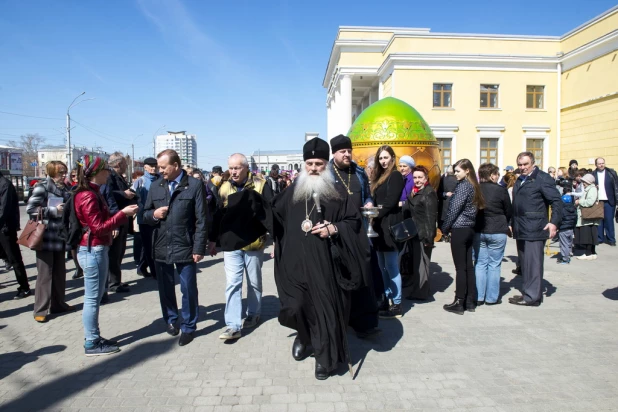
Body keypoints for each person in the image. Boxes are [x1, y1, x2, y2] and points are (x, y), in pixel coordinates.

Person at [271, 137, 370, 380]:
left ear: (326, 165)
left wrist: (333, 229)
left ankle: (325, 359)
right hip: (294, 264)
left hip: (326, 265)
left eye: (319, 163)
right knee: (295, 306)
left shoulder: (338, 193)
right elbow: (274, 216)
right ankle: (304, 337)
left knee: (323, 310)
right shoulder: (291, 191)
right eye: (310, 163)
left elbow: (353, 223)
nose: (314, 168)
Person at [74, 155, 138, 356]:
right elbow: (99, 227)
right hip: (93, 250)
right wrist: (122, 215)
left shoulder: (93, 192)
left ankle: (94, 337)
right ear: (96, 172)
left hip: (95, 248)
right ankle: (92, 342)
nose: (108, 173)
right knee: (93, 299)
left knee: (95, 296)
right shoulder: (88, 195)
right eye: (105, 170)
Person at [143, 149, 208, 347]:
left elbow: (202, 220)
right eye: (158, 167)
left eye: (163, 167)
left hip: (185, 246)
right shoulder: (155, 187)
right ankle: (171, 319)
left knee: (188, 289)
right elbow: (144, 215)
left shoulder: (194, 186)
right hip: (161, 246)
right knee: (165, 288)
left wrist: (198, 248)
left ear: (176, 166)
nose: (159, 170)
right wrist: (154, 214)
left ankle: (189, 326)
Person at [207, 153, 272, 341]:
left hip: (254, 243)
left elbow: (271, 213)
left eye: (237, 168)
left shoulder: (261, 185)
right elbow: (217, 216)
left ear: (246, 168)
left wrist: (276, 241)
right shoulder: (224, 188)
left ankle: (254, 312)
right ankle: (233, 325)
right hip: (231, 244)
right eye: (231, 168)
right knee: (233, 283)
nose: (233, 172)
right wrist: (213, 240)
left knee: (254, 282)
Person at [329, 134, 380, 338]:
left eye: (349, 151)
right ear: (334, 153)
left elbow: (367, 194)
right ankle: (340, 319)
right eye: (343, 151)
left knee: (363, 275)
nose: (347, 154)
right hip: (337, 232)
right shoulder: (326, 173)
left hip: (359, 231)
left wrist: (368, 202)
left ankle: (364, 323)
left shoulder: (358, 171)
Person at [509, 152, 562, 307]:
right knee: (525, 264)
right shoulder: (520, 179)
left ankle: (532, 297)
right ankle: (527, 292)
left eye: (525, 164)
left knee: (533, 264)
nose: (522, 167)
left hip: (535, 227)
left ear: (533, 163)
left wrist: (554, 223)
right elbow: (516, 204)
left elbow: (557, 202)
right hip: (521, 228)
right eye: (520, 164)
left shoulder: (542, 178)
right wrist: (512, 222)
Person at [26, 161, 73, 323]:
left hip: (60, 235)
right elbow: (31, 209)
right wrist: (54, 210)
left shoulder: (65, 188)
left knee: (60, 273)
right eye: (61, 172)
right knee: (45, 275)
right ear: (52, 172)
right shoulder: (42, 187)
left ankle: (58, 304)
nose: (64, 175)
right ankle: (40, 310)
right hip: (45, 236)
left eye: (65, 172)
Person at [441, 159, 484, 314]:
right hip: (470, 228)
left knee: (460, 268)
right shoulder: (473, 186)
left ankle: (459, 302)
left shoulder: (464, 186)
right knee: (468, 267)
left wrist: (445, 228)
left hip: (460, 229)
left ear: (467, 171)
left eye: (458, 171)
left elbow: (454, 209)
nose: (455, 174)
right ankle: (470, 301)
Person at [370, 145, 405, 319]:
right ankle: (385, 299)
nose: (383, 161)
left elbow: (391, 202)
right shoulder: (379, 176)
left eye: (386, 157)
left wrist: (375, 213)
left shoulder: (396, 175)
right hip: (378, 227)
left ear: (392, 157)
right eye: (380, 158)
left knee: (391, 267)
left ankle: (397, 303)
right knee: (381, 267)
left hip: (390, 225)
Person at [473, 163, 511, 306]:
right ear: (491, 175)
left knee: (480, 263)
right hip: (498, 229)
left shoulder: (475, 189)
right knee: (494, 264)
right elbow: (508, 210)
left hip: (479, 229)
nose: (498, 177)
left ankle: (479, 296)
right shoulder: (501, 190)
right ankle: (491, 298)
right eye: (497, 174)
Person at [100, 152, 136, 294]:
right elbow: (108, 196)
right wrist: (124, 194)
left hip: (122, 217)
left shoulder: (119, 176)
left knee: (120, 251)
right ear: (119, 164)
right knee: (114, 253)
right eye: (125, 164)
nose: (126, 167)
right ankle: (112, 283)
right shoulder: (109, 176)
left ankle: (116, 280)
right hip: (115, 217)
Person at [401, 165, 438, 300]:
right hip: (414, 233)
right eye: (415, 177)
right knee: (417, 264)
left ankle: (421, 293)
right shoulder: (415, 191)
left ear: (426, 178)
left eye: (420, 177)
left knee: (422, 265)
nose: (417, 180)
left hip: (423, 234)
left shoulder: (428, 193)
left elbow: (430, 217)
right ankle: (417, 290)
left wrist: (429, 239)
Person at [0, 169, 32, 299]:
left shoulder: (5, 185)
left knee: (14, 259)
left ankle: (24, 287)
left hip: (5, 229)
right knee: (7, 256)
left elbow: (4, 209)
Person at [132, 157, 159, 278]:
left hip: (158, 217)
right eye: (151, 166)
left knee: (155, 245)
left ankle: (142, 266)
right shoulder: (140, 181)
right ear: (145, 167)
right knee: (148, 246)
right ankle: (154, 271)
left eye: (155, 165)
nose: (154, 168)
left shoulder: (161, 179)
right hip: (144, 219)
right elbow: (132, 197)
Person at [575, 174, 602, 260]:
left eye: (584, 182)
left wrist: (579, 201)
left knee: (587, 236)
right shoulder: (590, 189)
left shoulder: (592, 189)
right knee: (591, 235)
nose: (583, 183)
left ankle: (588, 253)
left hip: (588, 216)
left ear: (589, 182)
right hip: (590, 217)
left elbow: (590, 201)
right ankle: (592, 253)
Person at [593, 157, 618, 246]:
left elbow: (616, 187)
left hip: (609, 200)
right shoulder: (593, 174)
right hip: (598, 201)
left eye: (603, 163)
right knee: (599, 220)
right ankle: (600, 238)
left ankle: (611, 239)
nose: (601, 165)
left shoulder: (611, 173)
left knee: (609, 220)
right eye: (599, 163)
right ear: (596, 165)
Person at [437, 166, 457, 237]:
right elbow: (438, 191)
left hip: (452, 203)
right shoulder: (442, 178)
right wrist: (445, 194)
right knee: (443, 220)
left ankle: (446, 234)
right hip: (444, 204)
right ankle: (443, 234)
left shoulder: (457, 178)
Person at [558, 194, 577, 265]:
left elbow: (559, 219)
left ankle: (565, 259)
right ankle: (568, 255)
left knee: (564, 244)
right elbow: (575, 219)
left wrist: (557, 226)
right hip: (571, 228)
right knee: (569, 243)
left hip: (563, 229)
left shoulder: (562, 209)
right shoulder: (573, 208)